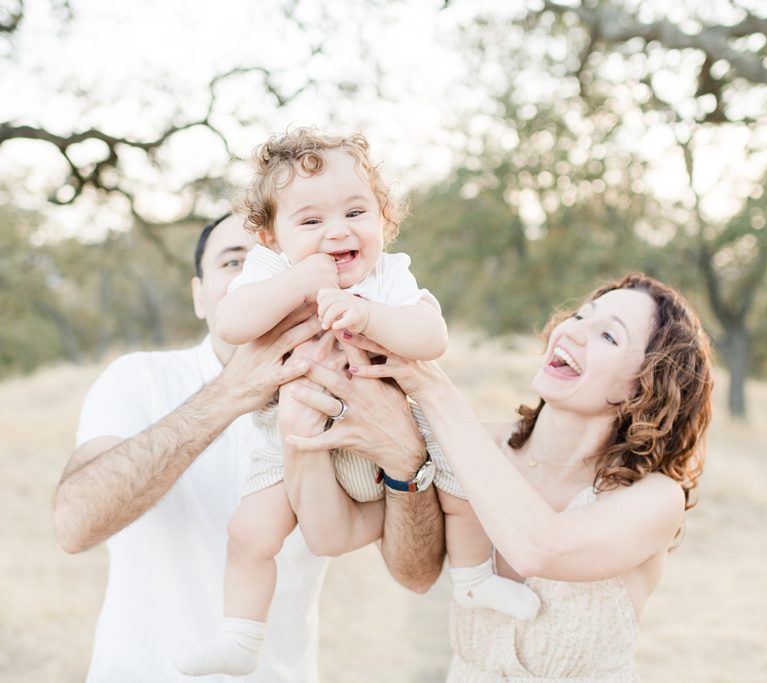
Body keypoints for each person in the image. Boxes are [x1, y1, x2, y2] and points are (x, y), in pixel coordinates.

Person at [178, 128, 537, 678]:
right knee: (248, 533)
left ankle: (472, 578)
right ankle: (241, 634)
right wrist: (300, 282)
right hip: (290, 437)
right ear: (272, 237)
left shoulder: (388, 275)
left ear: (382, 220)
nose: (338, 231)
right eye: (311, 221)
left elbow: (430, 336)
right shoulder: (271, 271)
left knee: (464, 485)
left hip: (395, 423)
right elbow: (232, 321)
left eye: (355, 211)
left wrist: (369, 315)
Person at [52, 213, 445, 683]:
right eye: (233, 261)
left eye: (277, 261)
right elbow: (74, 526)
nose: (254, 279)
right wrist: (231, 391)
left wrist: (406, 462)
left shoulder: (359, 380)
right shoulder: (138, 378)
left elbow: (417, 574)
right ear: (200, 296)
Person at [286, 273, 714, 682]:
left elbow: (540, 549)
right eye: (580, 316)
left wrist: (433, 388)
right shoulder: (477, 444)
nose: (572, 331)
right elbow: (413, 574)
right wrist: (404, 469)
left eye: (608, 335)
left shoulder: (655, 498)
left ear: (644, 387)